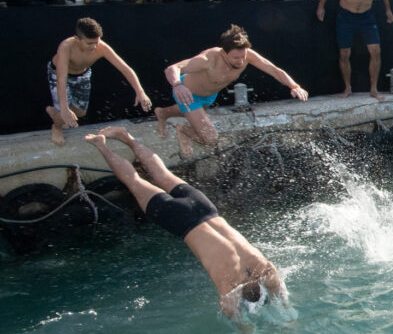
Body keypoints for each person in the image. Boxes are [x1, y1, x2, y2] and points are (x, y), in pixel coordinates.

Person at [84, 126, 286, 319]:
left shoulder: (265, 267)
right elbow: (235, 317)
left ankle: (127, 137)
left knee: (162, 173)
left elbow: (280, 292)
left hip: (205, 208)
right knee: (134, 181)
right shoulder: (230, 283)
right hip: (180, 220)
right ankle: (100, 144)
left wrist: (288, 313)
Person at [155, 25, 308, 156]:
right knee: (210, 138)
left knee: (189, 113)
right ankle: (184, 131)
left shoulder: (248, 55)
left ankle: (162, 113)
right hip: (188, 94)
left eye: (243, 56)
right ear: (224, 52)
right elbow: (172, 68)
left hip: (209, 96)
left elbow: (274, 70)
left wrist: (294, 86)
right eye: (235, 58)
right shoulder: (208, 59)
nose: (241, 62)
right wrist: (177, 85)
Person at [45, 17, 152, 146]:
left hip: (82, 75)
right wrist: (64, 108)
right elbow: (61, 79)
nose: (94, 46)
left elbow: (125, 69)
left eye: (97, 41)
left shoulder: (102, 48)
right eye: (89, 43)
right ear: (77, 39)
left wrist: (140, 92)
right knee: (63, 114)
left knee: (80, 112)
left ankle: (54, 112)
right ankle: (56, 127)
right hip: (59, 75)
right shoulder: (66, 46)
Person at [316, 0, 393, 101]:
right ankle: (347, 87)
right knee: (344, 52)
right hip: (346, 16)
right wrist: (321, 7)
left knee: (376, 51)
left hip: (366, 16)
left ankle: (373, 89)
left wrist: (388, 10)